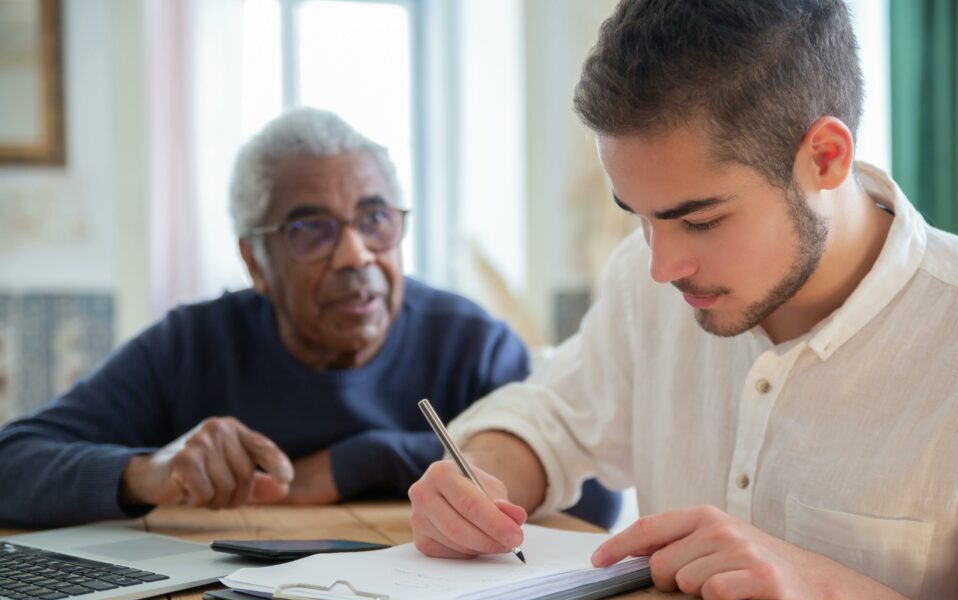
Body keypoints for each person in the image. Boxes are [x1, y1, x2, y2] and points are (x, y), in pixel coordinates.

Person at [406, 1, 958, 600]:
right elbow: (549, 416)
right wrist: (480, 479)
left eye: (698, 220)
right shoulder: (648, 286)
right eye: (637, 215)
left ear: (825, 157)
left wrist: (826, 590)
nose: (660, 265)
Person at [0, 108, 620, 530]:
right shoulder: (193, 346)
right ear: (255, 261)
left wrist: (366, 459)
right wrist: (147, 472)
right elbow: (13, 462)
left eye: (376, 219)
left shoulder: (471, 343)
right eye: (311, 230)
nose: (356, 256)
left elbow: (591, 497)